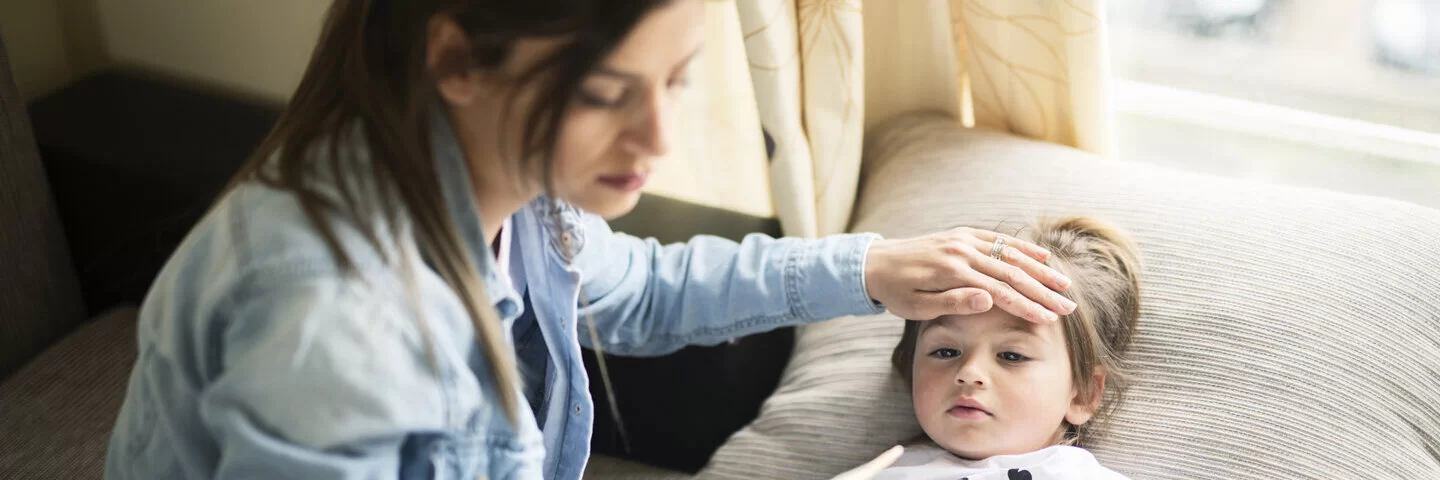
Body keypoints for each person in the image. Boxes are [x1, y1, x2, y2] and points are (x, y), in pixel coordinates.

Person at [103, 1, 1076, 478]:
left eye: (677, 81)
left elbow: (636, 292)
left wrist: (869, 266)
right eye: (609, 95)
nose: (656, 140)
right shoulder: (332, 318)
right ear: (456, 60)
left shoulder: (514, 188)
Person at [877, 217, 1143, 480]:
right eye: (945, 352)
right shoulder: (884, 471)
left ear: (1082, 394)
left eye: (1012, 356)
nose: (969, 372)